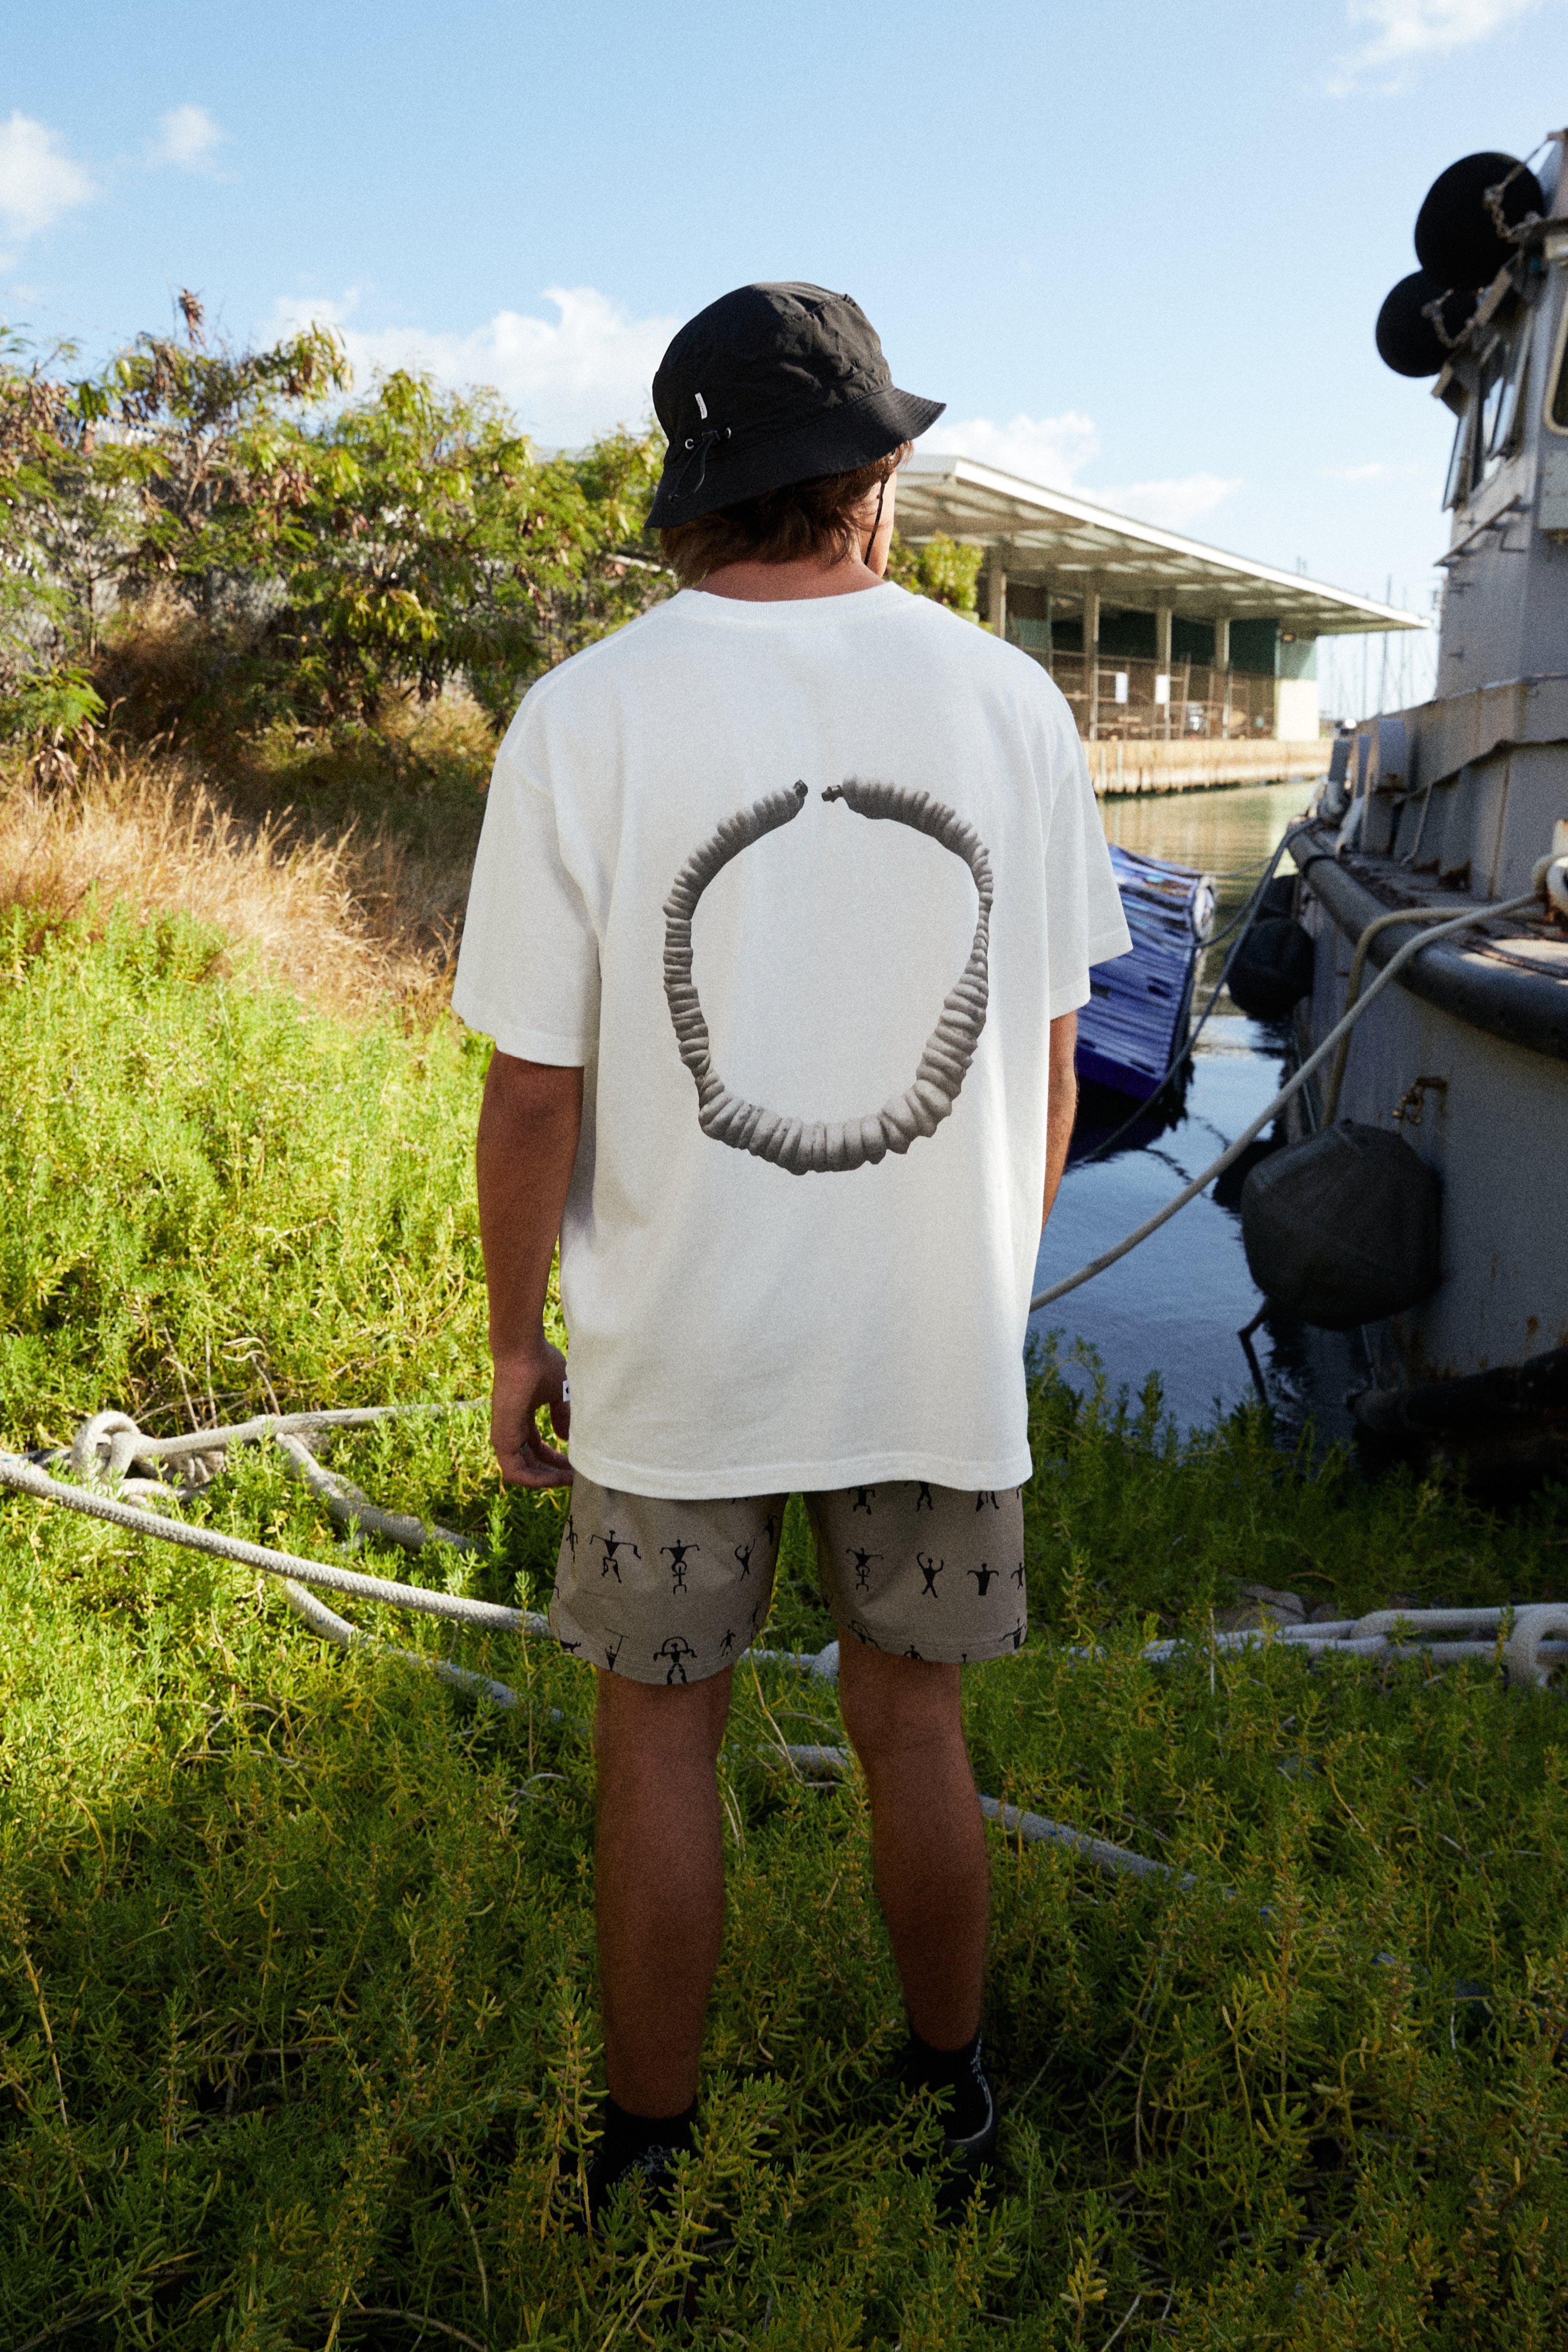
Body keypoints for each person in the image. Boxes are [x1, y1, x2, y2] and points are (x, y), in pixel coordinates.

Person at [453, 281, 1130, 2223]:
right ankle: (953, 2103)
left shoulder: (585, 715)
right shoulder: (1009, 703)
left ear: (696, 488)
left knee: (656, 1735)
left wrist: (515, 1342)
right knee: (914, 1719)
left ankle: (648, 2159)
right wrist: (980, 1295)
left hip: (678, 1349)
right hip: (927, 1342)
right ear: (871, 477)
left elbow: (532, 1090)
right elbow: (1056, 1060)